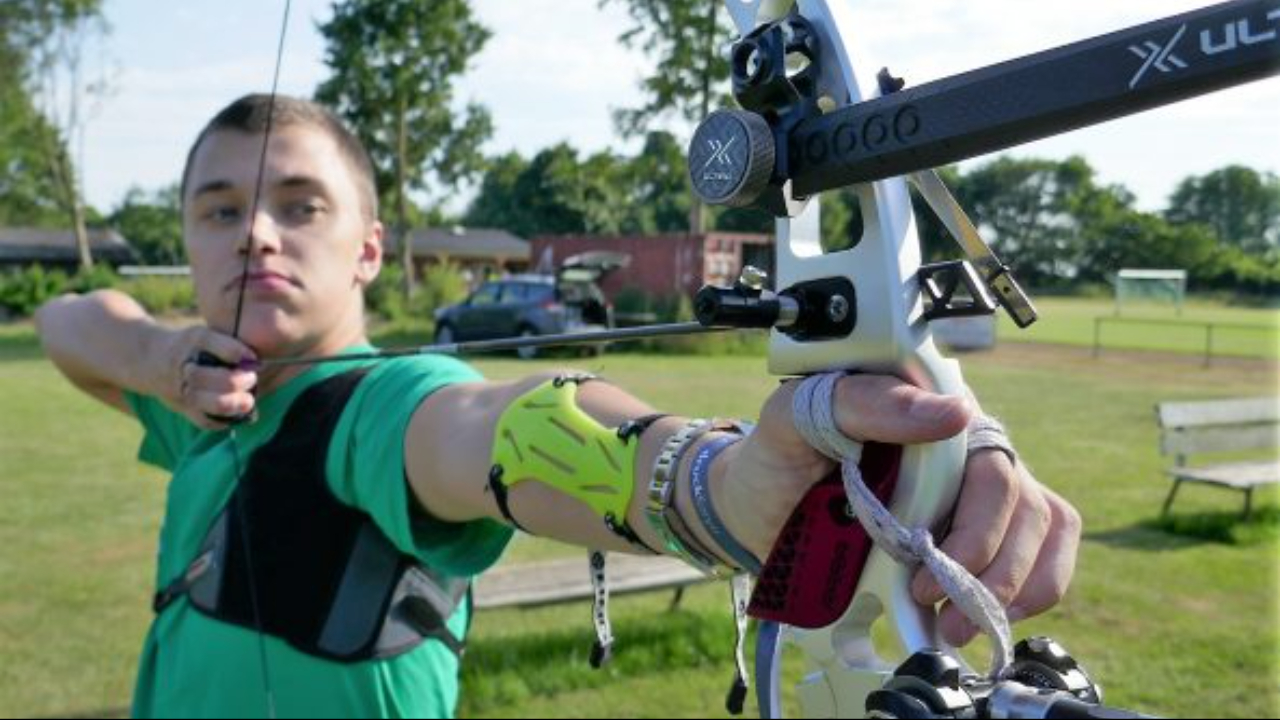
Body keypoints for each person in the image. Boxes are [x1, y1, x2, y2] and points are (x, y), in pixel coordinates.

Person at [35, 95, 1082, 719]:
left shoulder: (379, 403)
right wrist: (163, 352)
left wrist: (713, 485)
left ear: (368, 250)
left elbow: (490, 428)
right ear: (189, 240)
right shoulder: (205, 404)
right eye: (220, 210)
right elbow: (72, 325)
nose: (256, 234)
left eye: (298, 205)